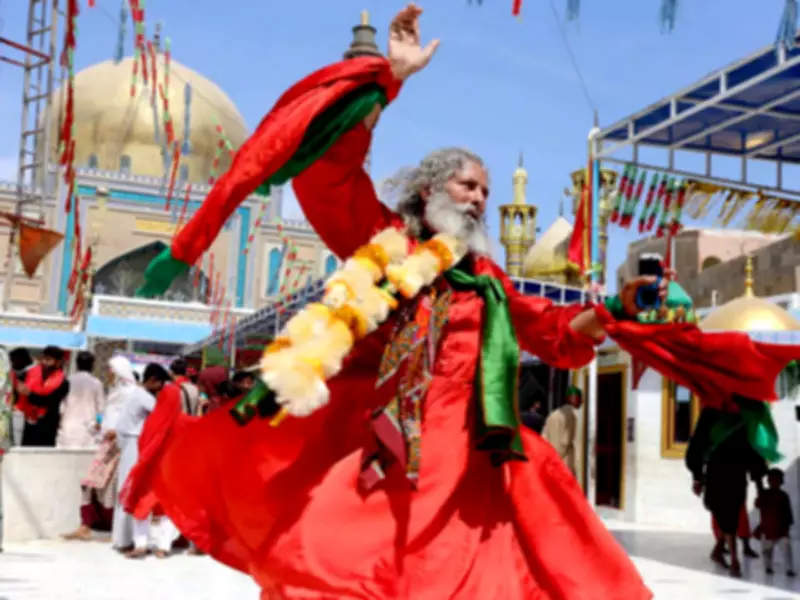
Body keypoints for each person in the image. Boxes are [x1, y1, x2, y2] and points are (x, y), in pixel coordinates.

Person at [121, 7, 665, 598]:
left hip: (473, 449)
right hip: (389, 442)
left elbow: (548, 328)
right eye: (468, 186)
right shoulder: (385, 243)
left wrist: (612, 309)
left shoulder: (484, 276)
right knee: (347, 559)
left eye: (485, 189)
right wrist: (392, 79)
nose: (480, 199)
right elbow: (333, 174)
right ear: (429, 192)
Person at [686, 404, 768, 577]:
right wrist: (697, 476)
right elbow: (698, 444)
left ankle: (718, 552)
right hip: (716, 474)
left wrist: (760, 485)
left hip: (737, 475)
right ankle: (734, 561)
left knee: (730, 514)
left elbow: (752, 451)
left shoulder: (744, 418)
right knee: (726, 515)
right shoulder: (709, 415)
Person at [63, 355, 134, 541]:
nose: (108, 373)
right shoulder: (115, 391)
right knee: (89, 484)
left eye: (111, 370)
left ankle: (116, 531)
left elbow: (135, 421)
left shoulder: (131, 393)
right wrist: (99, 426)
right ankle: (85, 526)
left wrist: (118, 432)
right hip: (105, 446)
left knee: (112, 489)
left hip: (121, 448)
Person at [111, 362, 170, 557]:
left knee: (126, 487)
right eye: (160, 384)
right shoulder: (144, 397)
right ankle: (125, 539)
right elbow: (164, 416)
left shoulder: (134, 394)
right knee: (131, 488)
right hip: (135, 443)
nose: (161, 389)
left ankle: (123, 538)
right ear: (153, 381)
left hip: (129, 441)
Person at [19, 346, 70, 447]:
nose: (44, 363)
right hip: (30, 422)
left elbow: (50, 401)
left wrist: (30, 394)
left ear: (58, 362)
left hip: (47, 425)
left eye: (48, 360)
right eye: (43, 358)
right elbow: (17, 383)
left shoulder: (63, 382)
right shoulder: (31, 373)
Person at [57, 351, 105, 448]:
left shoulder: (68, 381)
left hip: (68, 426)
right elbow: (101, 408)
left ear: (77, 364)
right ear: (92, 365)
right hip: (88, 427)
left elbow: (61, 405)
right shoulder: (96, 383)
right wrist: (99, 423)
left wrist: (59, 422)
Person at [756, 467, 795, 576]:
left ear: (781, 482)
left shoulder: (784, 496)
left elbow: (788, 513)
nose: (775, 483)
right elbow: (758, 504)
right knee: (767, 552)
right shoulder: (765, 495)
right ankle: (768, 567)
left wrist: (787, 529)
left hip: (781, 529)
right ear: (768, 481)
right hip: (767, 529)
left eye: (777, 480)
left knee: (786, 550)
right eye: (773, 480)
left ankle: (789, 569)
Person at [542, 386, 583, 476]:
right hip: (563, 465)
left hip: (550, 464)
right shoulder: (573, 415)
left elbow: (543, 439)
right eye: (580, 398)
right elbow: (568, 441)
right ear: (574, 398)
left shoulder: (553, 415)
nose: (582, 402)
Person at [7, 347, 34, 445]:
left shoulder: (30, 373)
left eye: (13, 360)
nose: (12, 363)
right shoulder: (19, 373)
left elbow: (24, 391)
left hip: (21, 413)